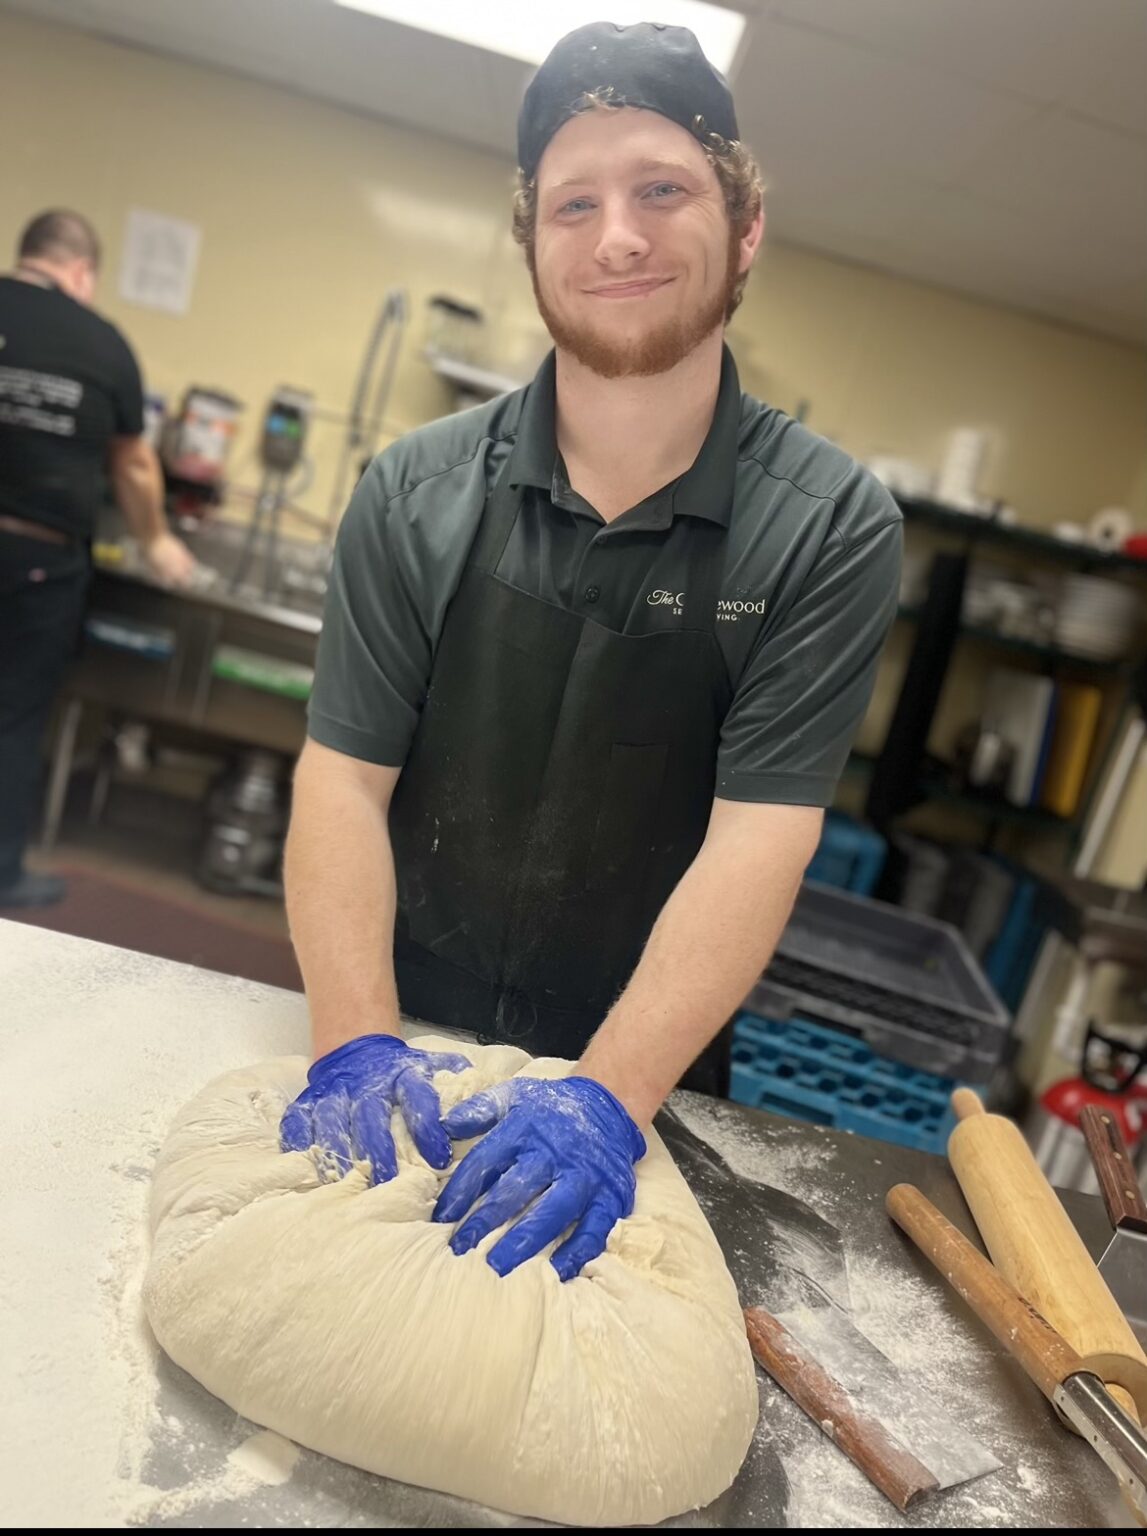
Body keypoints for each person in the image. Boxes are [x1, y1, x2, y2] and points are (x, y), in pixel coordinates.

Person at [281, 22, 902, 1280]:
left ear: (745, 225)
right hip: (411, 1038)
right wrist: (357, 1043)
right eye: (574, 204)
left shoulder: (831, 527)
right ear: (531, 245)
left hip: (644, 1078)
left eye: (660, 189)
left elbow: (759, 836)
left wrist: (603, 1101)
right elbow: (342, 780)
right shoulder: (414, 491)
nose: (615, 236)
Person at [0, 209, 195, 909]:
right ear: (82, 273)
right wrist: (158, 542)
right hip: (38, 563)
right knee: (13, 718)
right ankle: (3, 876)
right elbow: (134, 469)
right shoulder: (101, 343)